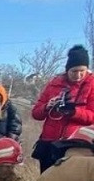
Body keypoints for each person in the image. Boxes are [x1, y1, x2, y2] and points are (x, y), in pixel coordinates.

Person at [31, 44, 94, 172]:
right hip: (49, 142)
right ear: (67, 70)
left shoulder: (91, 85)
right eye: (74, 71)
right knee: (47, 180)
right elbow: (36, 113)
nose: (78, 75)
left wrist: (74, 112)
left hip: (75, 145)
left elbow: (92, 116)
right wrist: (47, 106)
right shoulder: (54, 84)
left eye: (82, 71)